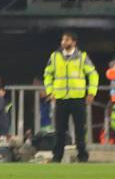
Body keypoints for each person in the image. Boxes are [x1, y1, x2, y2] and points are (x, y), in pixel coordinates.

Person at [42, 32, 98, 163]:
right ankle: (57, 156)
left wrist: (91, 92)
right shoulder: (55, 57)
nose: (63, 42)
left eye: (67, 40)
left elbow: (93, 74)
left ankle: (82, 156)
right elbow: (47, 74)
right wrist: (50, 92)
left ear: (74, 42)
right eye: (63, 39)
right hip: (61, 98)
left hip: (77, 98)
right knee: (59, 130)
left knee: (80, 129)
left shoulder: (82, 57)